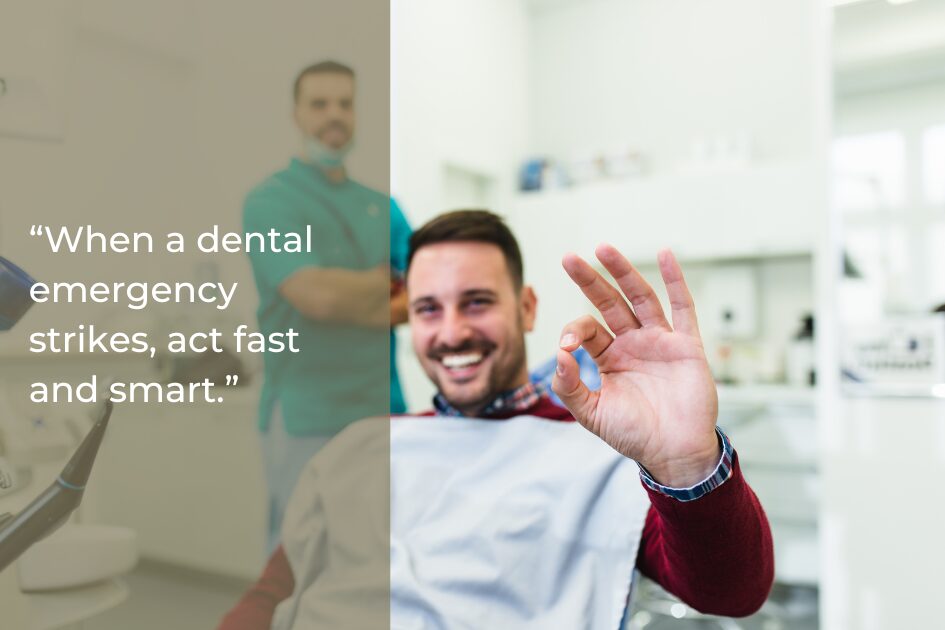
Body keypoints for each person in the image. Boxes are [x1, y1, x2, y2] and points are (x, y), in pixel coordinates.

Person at [220, 210, 774, 629]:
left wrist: (687, 464)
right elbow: (273, 593)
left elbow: (731, 592)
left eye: (477, 302)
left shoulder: (604, 459)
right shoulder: (362, 445)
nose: (452, 331)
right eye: (428, 309)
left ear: (527, 307)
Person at [243, 60, 408, 552]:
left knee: (380, 556)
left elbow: (423, 292)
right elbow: (313, 295)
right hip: (306, 417)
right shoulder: (270, 201)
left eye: (345, 103)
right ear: (297, 113)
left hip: (383, 410)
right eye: (319, 103)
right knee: (302, 561)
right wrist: (383, 285)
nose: (334, 115)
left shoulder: (384, 206)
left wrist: (351, 295)